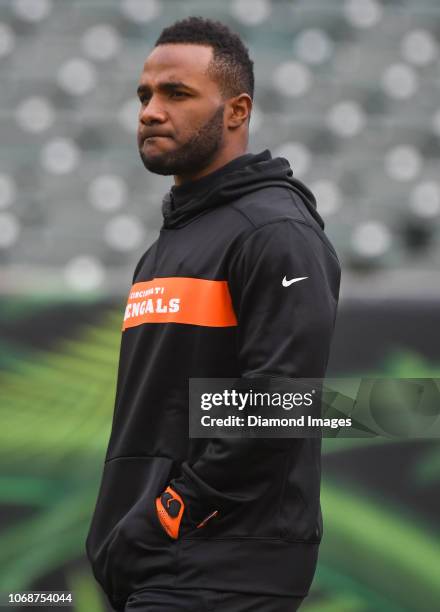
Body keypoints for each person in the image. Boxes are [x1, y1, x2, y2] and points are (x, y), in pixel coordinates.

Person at [85, 16, 341, 612]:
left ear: (236, 111)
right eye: (144, 95)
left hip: (219, 565)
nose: (150, 110)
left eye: (176, 94)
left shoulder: (275, 232)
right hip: (159, 565)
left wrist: (171, 513)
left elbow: (282, 401)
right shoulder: (170, 244)